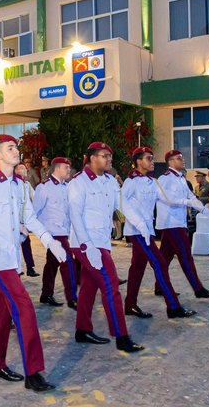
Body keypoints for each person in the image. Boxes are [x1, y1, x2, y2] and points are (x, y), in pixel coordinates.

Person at [0, 133, 67, 392]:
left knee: (5, 313)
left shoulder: (18, 184)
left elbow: (30, 217)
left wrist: (50, 241)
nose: (15, 151)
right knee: (25, 309)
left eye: (16, 147)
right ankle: (33, 372)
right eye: (10, 148)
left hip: (11, 259)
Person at [68, 142, 146, 351]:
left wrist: (140, 224)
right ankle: (121, 336)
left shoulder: (110, 181)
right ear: (92, 158)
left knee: (88, 287)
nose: (109, 160)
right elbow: (75, 215)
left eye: (110, 156)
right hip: (86, 244)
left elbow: (122, 206)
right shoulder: (78, 183)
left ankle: (82, 330)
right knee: (110, 286)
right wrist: (87, 246)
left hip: (102, 242)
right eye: (104, 156)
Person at [123, 146, 198, 319]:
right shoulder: (131, 182)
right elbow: (121, 204)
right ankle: (173, 307)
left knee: (138, 267)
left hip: (147, 230)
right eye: (148, 158)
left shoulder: (152, 181)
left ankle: (130, 304)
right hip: (137, 231)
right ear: (138, 161)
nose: (152, 161)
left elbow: (168, 199)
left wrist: (192, 202)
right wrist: (137, 223)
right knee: (160, 263)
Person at [155, 150, 209, 299]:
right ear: (170, 161)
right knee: (185, 256)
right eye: (178, 158)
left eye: (182, 158)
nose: (182, 160)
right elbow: (167, 198)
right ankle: (198, 289)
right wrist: (187, 202)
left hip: (178, 222)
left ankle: (159, 286)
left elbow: (190, 196)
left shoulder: (181, 178)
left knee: (165, 257)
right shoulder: (165, 179)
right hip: (171, 222)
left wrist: (204, 210)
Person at [33, 156, 79, 309]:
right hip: (53, 233)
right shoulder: (44, 187)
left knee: (52, 264)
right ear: (57, 168)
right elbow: (35, 212)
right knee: (68, 263)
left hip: (63, 231)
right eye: (66, 167)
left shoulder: (66, 187)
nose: (69, 170)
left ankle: (46, 294)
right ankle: (72, 297)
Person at [14, 163, 38, 277]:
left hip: (25, 220)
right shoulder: (13, 183)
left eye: (24, 168)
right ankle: (16, 269)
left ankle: (29, 267)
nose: (23, 170)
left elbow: (35, 198)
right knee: (15, 245)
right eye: (20, 168)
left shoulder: (27, 184)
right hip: (15, 220)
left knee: (26, 243)